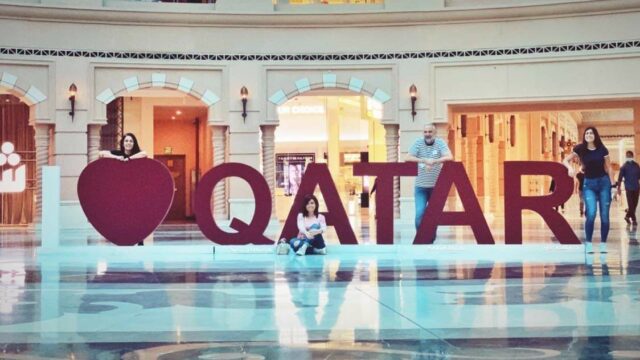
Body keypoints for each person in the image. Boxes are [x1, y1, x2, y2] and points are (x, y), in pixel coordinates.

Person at [562, 127, 614, 254]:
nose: (589, 135)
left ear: (595, 135)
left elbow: (608, 167)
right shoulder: (580, 149)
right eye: (587, 133)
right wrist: (569, 168)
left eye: (591, 133)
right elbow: (565, 160)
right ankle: (589, 243)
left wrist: (613, 185)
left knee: (605, 216)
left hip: (604, 183)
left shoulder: (602, 149)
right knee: (590, 213)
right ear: (584, 135)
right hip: (589, 184)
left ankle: (603, 245)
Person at [98, 133, 148, 246]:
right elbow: (101, 153)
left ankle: (139, 240)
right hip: (121, 191)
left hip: (135, 190)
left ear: (134, 143)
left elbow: (145, 153)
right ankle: (122, 238)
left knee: (137, 216)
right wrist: (117, 158)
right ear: (122, 143)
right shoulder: (118, 153)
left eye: (131, 141)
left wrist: (129, 159)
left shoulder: (137, 154)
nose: (128, 143)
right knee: (122, 215)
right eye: (126, 141)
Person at [405, 123, 453, 230]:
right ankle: (420, 238)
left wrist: (435, 161)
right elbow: (407, 157)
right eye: (425, 132)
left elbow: (449, 156)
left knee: (433, 215)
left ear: (435, 133)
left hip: (435, 187)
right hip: (420, 187)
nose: (427, 134)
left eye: (430, 132)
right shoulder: (418, 143)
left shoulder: (440, 143)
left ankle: (430, 237)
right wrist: (424, 160)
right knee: (419, 213)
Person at [617, 150, 640, 225]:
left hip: (636, 187)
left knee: (635, 204)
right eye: (627, 156)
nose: (628, 157)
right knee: (631, 204)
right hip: (628, 188)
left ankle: (627, 216)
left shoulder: (637, 165)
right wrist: (619, 188)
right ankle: (634, 220)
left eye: (630, 156)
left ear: (632, 156)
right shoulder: (624, 167)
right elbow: (620, 178)